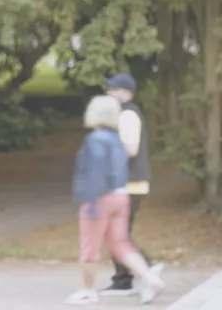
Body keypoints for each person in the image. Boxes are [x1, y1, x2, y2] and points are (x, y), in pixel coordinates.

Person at [64, 95, 164, 306]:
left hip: (100, 198)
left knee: (89, 247)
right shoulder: (117, 139)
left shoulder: (96, 139)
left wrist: (90, 202)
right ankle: (150, 278)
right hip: (120, 195)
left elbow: (96, 173)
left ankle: (88, 290)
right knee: (120, 244)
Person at [100, 73, 164, 297]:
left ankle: (145, 267)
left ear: (126, 92)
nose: (108, 93)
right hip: (126, 183)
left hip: (130, 184)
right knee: (115, 232)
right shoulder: (123, 113)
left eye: (113, 89)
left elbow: (131, 148)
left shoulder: (128, 114)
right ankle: (123, 279)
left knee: (117, 234)